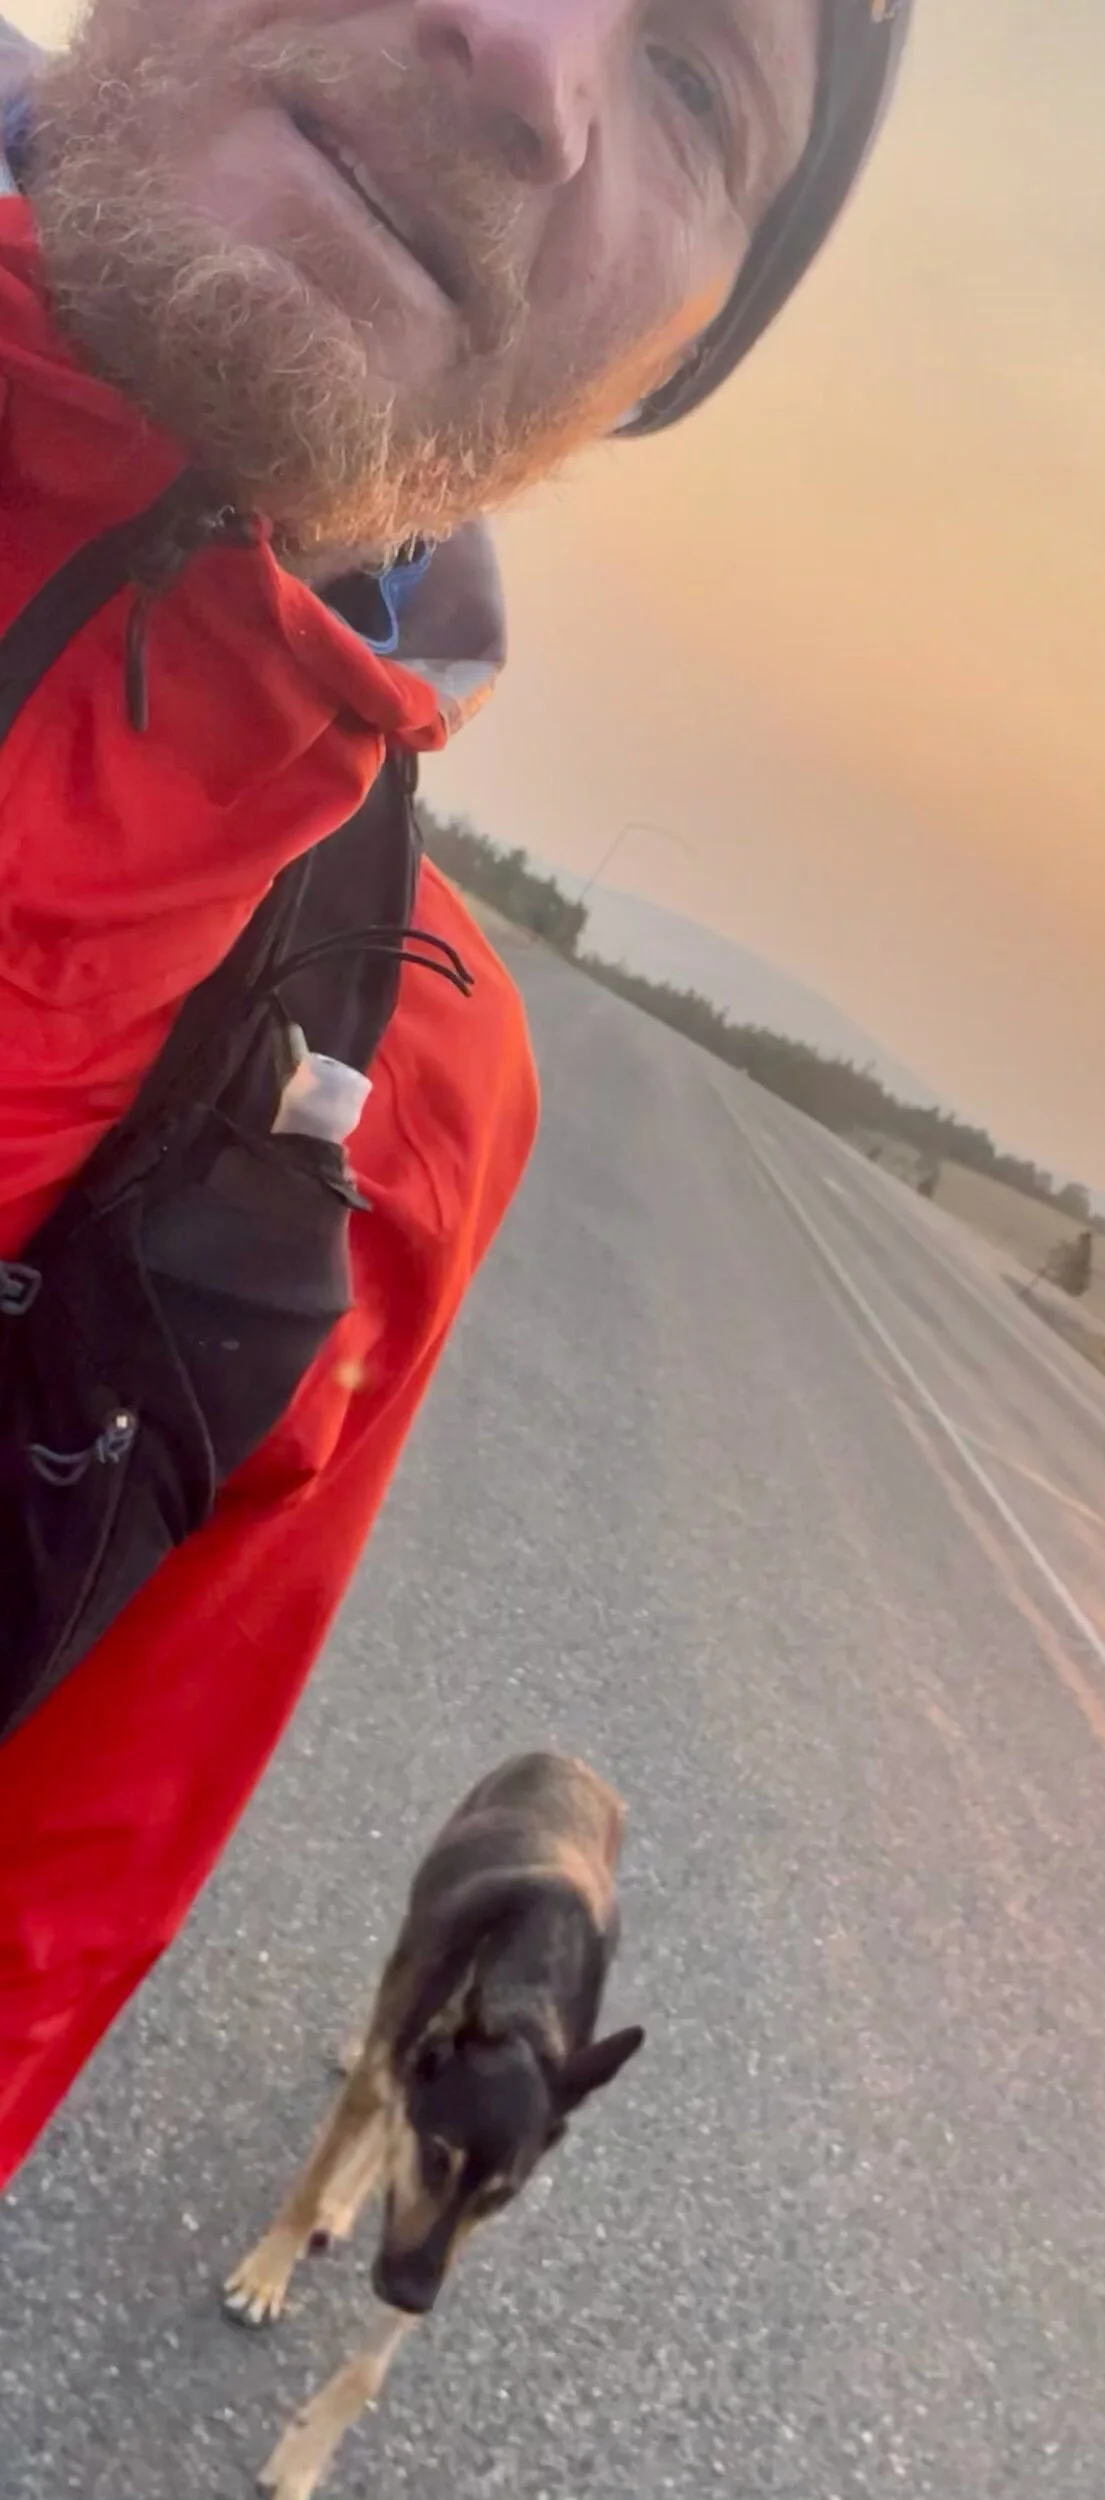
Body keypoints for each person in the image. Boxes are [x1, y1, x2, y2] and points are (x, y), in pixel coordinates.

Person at [0, 0, 911, 2194]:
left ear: (664, 363)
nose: (532, 57)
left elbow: (50, 1903)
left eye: (695, 83)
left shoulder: (394, 1084)